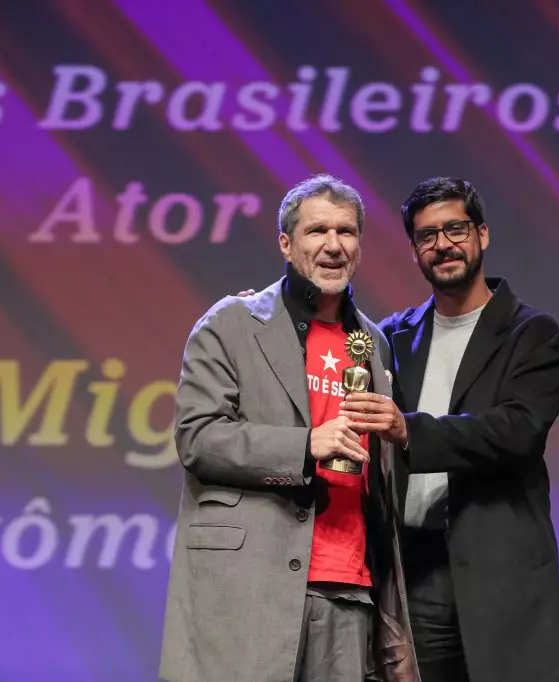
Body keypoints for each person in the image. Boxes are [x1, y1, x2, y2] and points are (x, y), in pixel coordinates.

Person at [159, 174, 418, 682]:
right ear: (286, 242)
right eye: (316, 230)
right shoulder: (231, 323)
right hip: (250, 584)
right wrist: (304, 446)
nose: (333, 245)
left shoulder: (373, 343)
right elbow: (198, 437)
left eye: (346, 232)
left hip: (349, 588)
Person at [338, 177, 559, 682]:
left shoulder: (532, 334)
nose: (443, 244)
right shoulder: (392, 337)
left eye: (455, 229)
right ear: (414, 252)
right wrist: (267, 313)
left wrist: (410, 432)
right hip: (414, 572)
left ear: (482, 235)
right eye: (427, 236)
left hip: (499, 569)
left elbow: (518, 430)